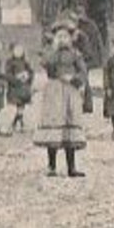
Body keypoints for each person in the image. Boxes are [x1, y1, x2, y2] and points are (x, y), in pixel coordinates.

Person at [34, 17, 88, 177]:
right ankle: (51, 166)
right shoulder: (51, 53)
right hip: (54, 92)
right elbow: (45, 63)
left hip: (70, 93)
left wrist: (74, 79)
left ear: (71, 38)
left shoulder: (75, 55)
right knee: (54, 126)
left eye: (66, 36)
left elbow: (83, 72)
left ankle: (71, 167)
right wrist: (53, 49)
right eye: (59, 36)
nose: (63, 39)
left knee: (69, 126)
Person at [4, 41, 34, 134]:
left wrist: (27, 76)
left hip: (24, 88)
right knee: (19, 106)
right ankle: (18, 124)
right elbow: (7, 75)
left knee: (21, 106)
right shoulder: (10, 62)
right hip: (15, 87)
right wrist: (16, 78)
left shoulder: (25, 62)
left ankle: (17, 123)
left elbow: (31, 72)